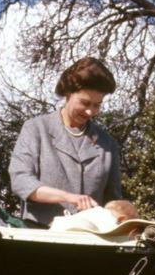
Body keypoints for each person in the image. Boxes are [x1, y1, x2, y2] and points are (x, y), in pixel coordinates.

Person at [9, 57, 122, 225]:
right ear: (68, 94)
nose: (90, 111)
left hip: (90, 240)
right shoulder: (36, 128)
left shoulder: (108, 144)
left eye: (97, 105)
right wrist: (69, 197)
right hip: (39, 235)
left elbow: (112, 200)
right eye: (85, 103)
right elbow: (21, 181)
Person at [50, 199, 139, 233]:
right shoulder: (109, 218)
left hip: (57, 225)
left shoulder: (94, 211)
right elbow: (110, 232)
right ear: (122, 220)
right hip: (72, 229)